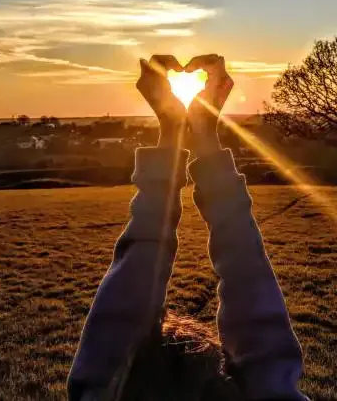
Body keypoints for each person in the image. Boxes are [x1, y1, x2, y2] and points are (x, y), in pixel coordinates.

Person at [68, 54, 308, 401]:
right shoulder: (105, 385)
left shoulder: (109, 389)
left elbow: (113, 340)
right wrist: (205, 132)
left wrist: (170, 130)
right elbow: (247, 275)